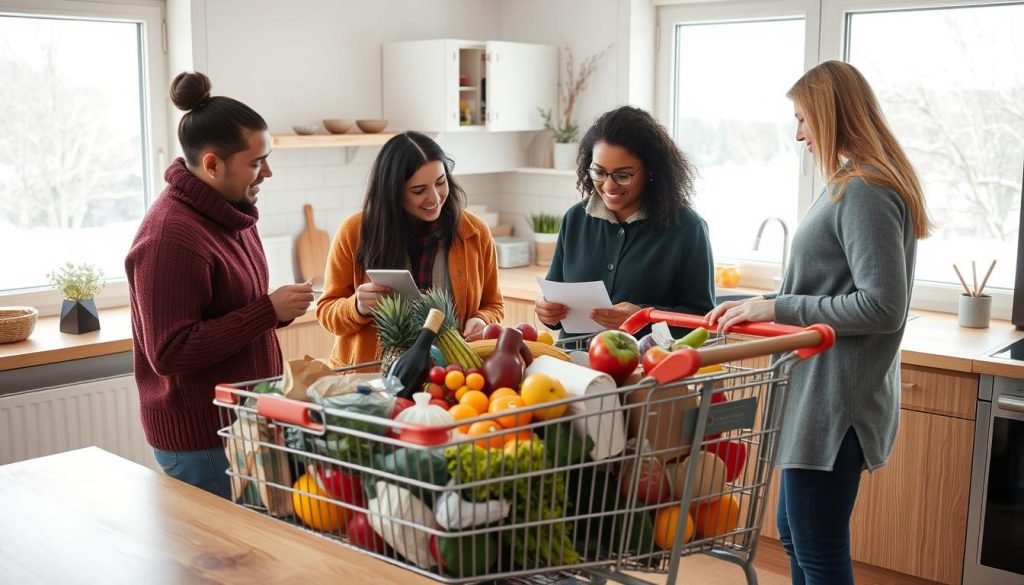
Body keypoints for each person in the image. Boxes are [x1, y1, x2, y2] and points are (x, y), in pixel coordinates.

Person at [705, 61, 932, 585]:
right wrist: (768, 303)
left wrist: (779, 307)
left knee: (817, 547)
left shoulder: (864, 191)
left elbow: (881, 306)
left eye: (804, 118)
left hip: (836, 403)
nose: (799, 133)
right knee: (797, 535)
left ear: (832, 116)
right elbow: (834, 286)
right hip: (822, 394)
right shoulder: (852, 184)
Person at [125, 72, 313, 498]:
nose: (268, 171)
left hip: (241, 424)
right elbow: (170, 351)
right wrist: (268, 311)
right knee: (227, 564)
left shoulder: (231, 213)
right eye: (256, 161)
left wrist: (275, 311)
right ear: (212, 164)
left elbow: (231, 312)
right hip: (205, 441)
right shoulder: (170, 237)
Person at [317, 131, 503, 367]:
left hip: (450, 376)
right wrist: (357, 306)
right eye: (419, 190)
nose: (434, 197)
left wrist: (482, 320)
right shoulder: (354, 232)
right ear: (393, 192)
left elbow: (494, 304)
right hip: (372, 380)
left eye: (440, 182)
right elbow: (326, 313)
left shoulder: (474, 232)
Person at [534, 106, 715, 338]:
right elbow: (555, 302)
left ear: (651, 170)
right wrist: (546, 310)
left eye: (623, 175)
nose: (608, 186)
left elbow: (702, 319)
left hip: (648, 368)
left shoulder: (688, 229)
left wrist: (645, 316)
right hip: (574, 366)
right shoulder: (575, 219)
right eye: (599, 172)